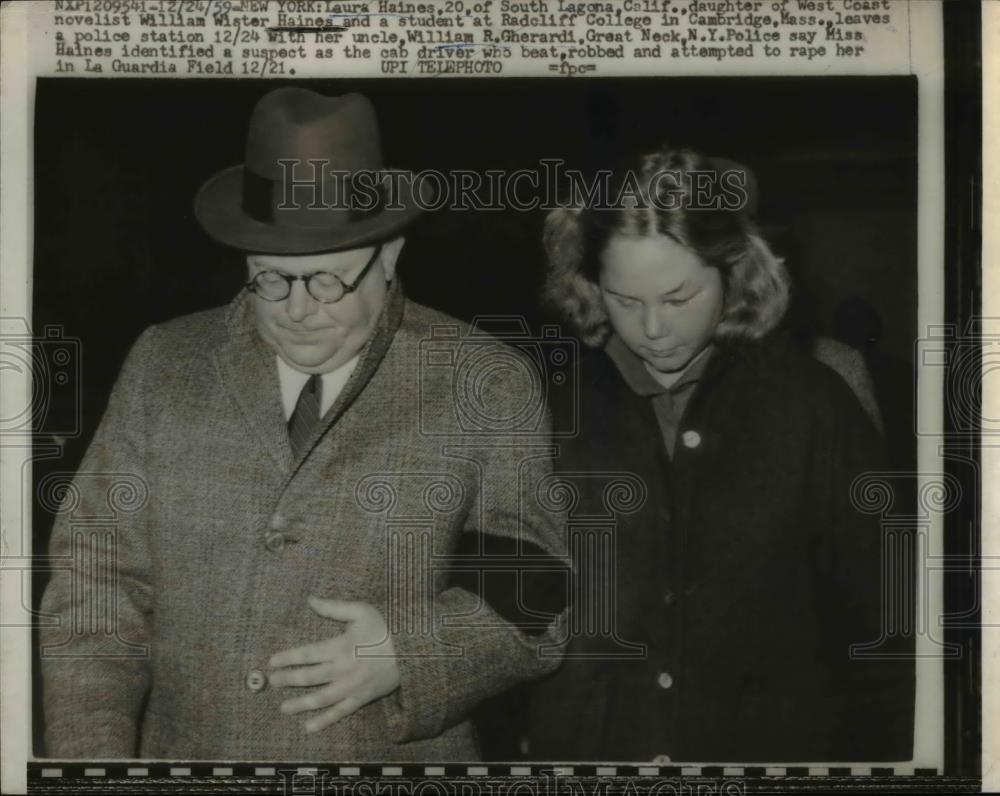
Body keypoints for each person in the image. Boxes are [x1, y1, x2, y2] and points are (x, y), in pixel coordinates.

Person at [39, 87, 566, 760]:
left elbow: (538, 597)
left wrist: (410, 655)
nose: (297, 309)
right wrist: (93, 764)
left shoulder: (481, 383)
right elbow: (95, 585)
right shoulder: (166, 365)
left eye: (326, 282)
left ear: (390, 256)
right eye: (270, 279)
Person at [526, 145, 914, 762]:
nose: (652, 328)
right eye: (624, 300)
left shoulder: (814, 405)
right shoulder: (545, 406)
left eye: (679, 298)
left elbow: (882, 636)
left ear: (736, 272)